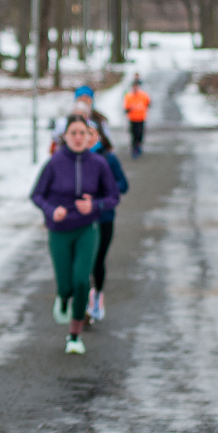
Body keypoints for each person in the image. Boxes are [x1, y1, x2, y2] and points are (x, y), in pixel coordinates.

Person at [30, 113, 120, 354]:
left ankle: (74, 335)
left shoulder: (98, 164)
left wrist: (95, 206)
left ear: (90, 136)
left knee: (82, 281)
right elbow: (37, 195)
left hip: (87, 229)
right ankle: (63, 296)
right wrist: (52, 210)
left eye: (83, 133)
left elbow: (113, 196)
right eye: (74, 133)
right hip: (59, 231)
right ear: (65, 137)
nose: (79, 138)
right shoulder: (55, 163)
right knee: (66, 285)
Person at [86, 125, 128, 322]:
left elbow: (123, 185)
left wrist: (107, 187)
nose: (86, 137)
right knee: (82, 262)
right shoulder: (76, 159)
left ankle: (97, 296)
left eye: (91, 133)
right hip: (82, 219)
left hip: (104, 217)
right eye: (82, 133)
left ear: (99, 136)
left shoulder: (109, 158)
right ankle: (84, 301)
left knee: (97, 260)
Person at [123, 78, 151, 158]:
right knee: (133, 134)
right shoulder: (128, 96)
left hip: (141, 118)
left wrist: (142, 108)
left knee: (140, 134)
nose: (135, 88)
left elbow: (148, 103)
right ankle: (134, 149)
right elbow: (125, 109)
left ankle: (139, 147)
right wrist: (130, 109)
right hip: (132, 119)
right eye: (134, 86)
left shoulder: (143, 95)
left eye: (136, 86)